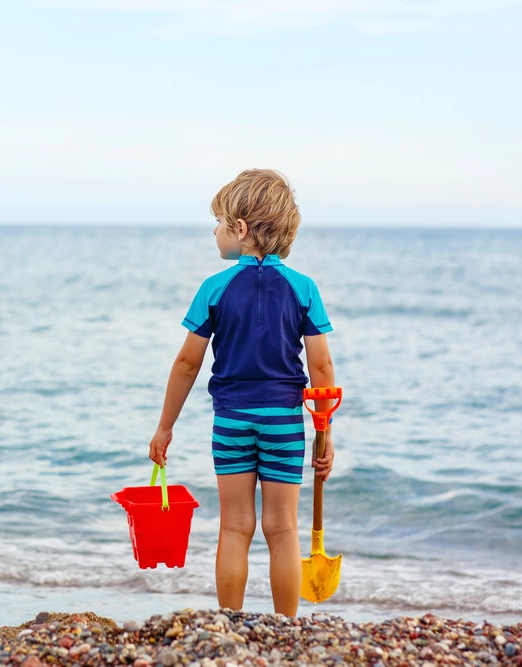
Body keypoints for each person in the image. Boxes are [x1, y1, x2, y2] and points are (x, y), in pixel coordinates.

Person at [147, 168, 336, 617]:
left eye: (218, 222)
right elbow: (322, 368)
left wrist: (164, 427)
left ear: (241, 229)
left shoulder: (214, 289)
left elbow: (187, 363)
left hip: (232, 419)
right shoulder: (303, 288)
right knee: (283, 529)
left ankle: (230, 622)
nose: (214, 231)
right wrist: (324, 436)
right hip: (285, 421)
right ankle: (285, 625)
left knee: (235, 528)